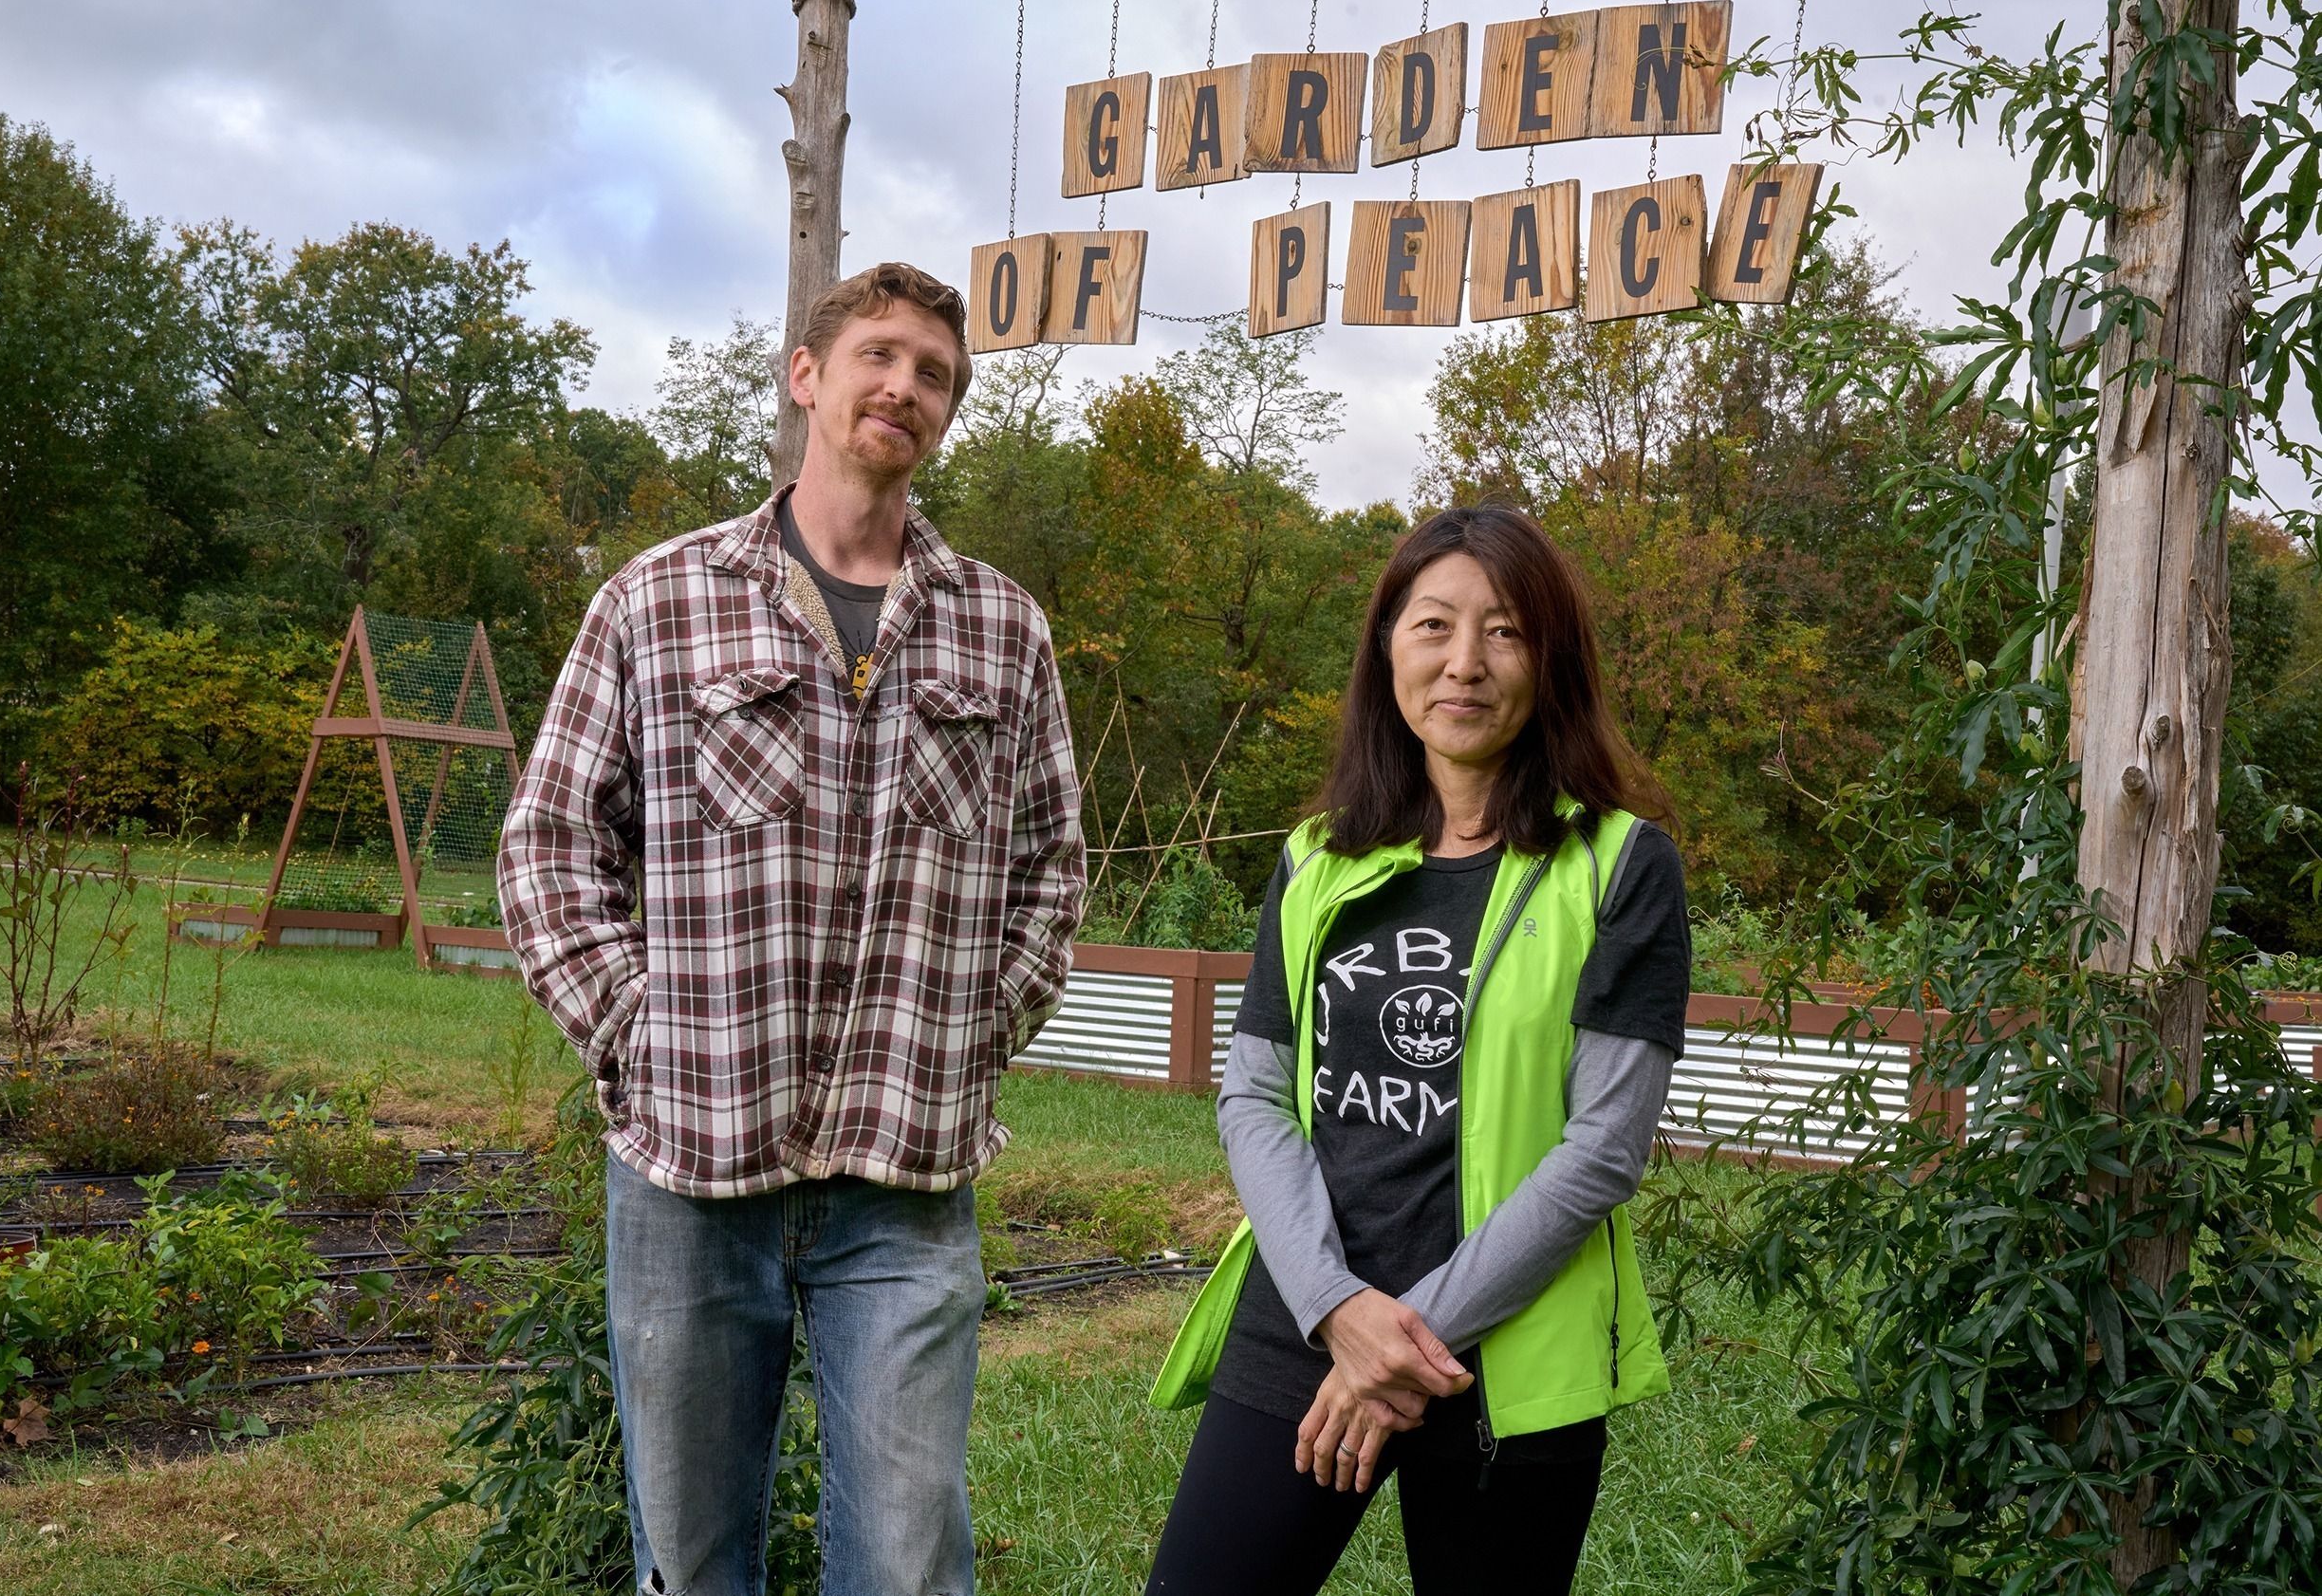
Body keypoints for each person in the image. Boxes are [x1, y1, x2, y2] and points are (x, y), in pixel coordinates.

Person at [497, 261, 1087, 1596]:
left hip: (906, 1177)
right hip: (690, 1167)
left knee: (907, 1555)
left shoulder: (1001, 628)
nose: (906, 387)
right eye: (880, 355)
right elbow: (548, 841)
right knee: (693, 1557)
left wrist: (979, 1029)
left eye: (934, 373)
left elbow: (1055, 862)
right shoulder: (659, 599)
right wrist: (636, 1031)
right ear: (806, 374)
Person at [1144, 504, 1690, 1596]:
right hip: (1305, 1313)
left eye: (1504, 632)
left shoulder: (1619, 867)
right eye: (1433, 625)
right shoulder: (1316, 859)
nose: (1465, 663)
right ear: (1388, 644)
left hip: (1502, 1349)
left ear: (1551, 660)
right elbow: (1253, 1096)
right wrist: (1340, 1313)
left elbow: (1605, 1147)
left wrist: (1409, 1339)